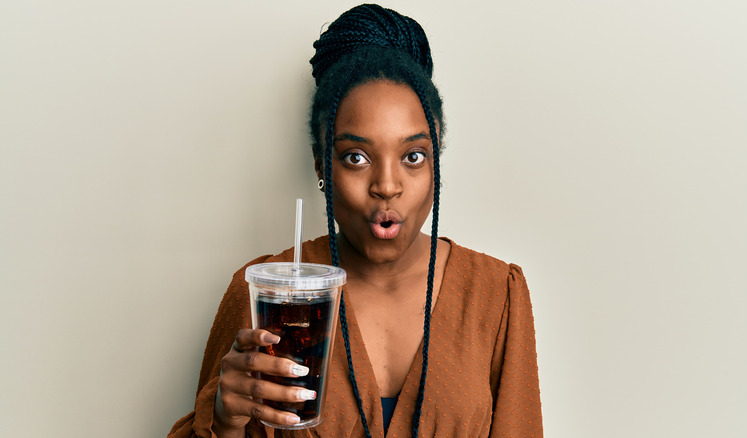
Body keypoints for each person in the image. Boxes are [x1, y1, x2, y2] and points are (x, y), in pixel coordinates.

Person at [169, 4, 542, 437]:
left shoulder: (496, 295)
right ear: (321, 166)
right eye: (356, 157)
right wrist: (223, 423)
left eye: (413, 156)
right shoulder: (263, 294)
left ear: (435, 164)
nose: (387, 185)